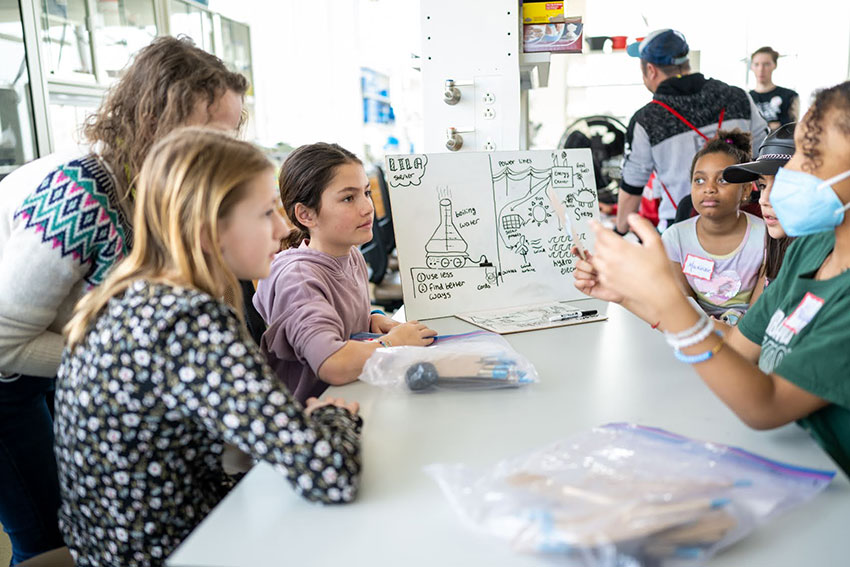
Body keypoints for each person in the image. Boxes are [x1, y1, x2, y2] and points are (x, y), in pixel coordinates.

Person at [55, 128, 363, 566]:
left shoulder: (121, 296)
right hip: (177, 548)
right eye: (264, 214)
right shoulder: (189, 322)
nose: (282, 228)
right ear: (207, 230)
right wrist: (333, 417)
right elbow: (329, 473)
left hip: (107, 548)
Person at [0, 36, 247, 564]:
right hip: (7, 379)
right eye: (212, 133)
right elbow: (4, 344)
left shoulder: (164, 195)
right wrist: (123, 364)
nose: (229, 151)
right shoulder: (81, 193)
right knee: (52, 535)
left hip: (74, 361)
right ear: (157, 120)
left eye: (234, 133)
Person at [574, 81, 850, 475]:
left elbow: (765, 405)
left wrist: (669, 301)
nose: (786, 174)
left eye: (811, 155)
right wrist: (627, 294)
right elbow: (736, 349)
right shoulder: (811, 250)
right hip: (783, 456)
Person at [254, 143, 436, 403]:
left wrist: (370, 318)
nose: (367, 207)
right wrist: (392, 343)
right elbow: (332, 363)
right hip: (317, 410)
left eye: (366, 193)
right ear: (306, 215)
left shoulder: (350, 255)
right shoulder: (300, 280)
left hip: (355, 392)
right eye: (348, 198)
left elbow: (338, 316)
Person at [616, 29, 768, 232]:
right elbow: (765, 158)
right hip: (747, 223)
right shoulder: (738, 97)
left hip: (683, 227)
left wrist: (620, 230)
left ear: (651, 70)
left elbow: (632, 187)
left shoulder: (647, 120)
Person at [661, 131, 765, 326]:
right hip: (696, 328)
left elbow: (758, 314)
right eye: (699, 180)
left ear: (746, 190)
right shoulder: (674, 238)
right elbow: (684, 304)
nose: (709, 188)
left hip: (749, 332)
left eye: (722, 180)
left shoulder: (766, 238)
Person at [723, 122, 797, 304]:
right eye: (762, 186)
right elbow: (752, 325)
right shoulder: (777, 251)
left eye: (782, 184)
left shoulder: (829, 268)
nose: (764, 199)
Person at [749, 47, 799, 131]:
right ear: (751, 67)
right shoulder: (746, 98)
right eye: (756, 64)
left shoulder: (789, 96)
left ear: (774, 65)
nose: (761, 69)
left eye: (766, 64)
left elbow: (791, 127)